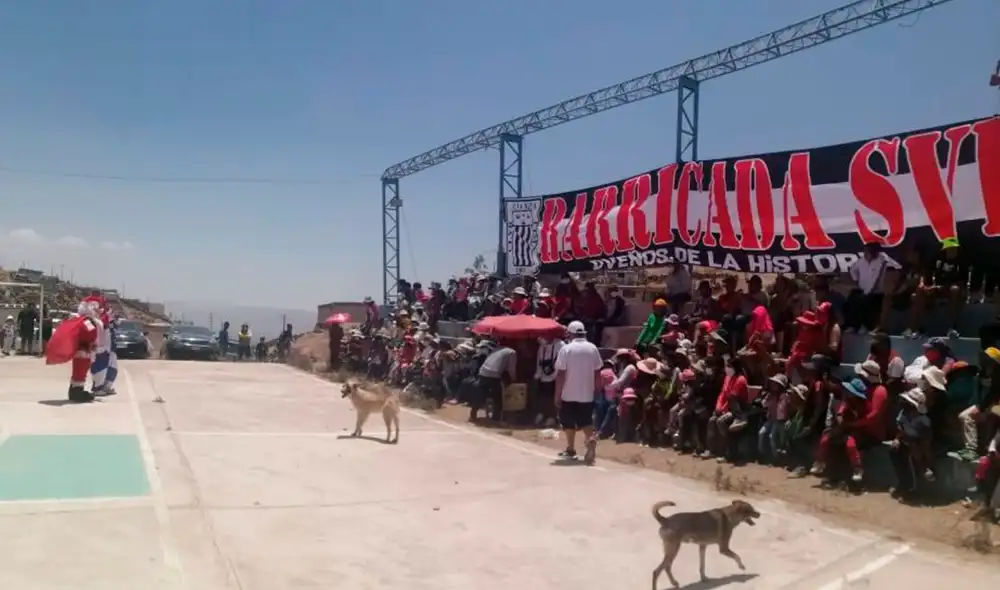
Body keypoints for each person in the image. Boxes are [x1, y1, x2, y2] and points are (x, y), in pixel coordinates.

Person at [554, 320, 603, 464]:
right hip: (587, 393)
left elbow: (561, 374)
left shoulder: (566, 349)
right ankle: (590, 439)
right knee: (586, 420)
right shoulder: (592, 348)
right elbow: (597, 372)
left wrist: (557, 394)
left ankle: (570, 448)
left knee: (568, 422)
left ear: (570, 333)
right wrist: (597, 389)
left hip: (569, 393)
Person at [474, 340, 517, 422]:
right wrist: (513, 379)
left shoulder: (496, 349)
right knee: (497, 397)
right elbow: (511, 368)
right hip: (495, 374)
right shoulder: (512, 352)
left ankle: (473, 414)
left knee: (480, 395)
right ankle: (496, 418)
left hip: (483, 371)